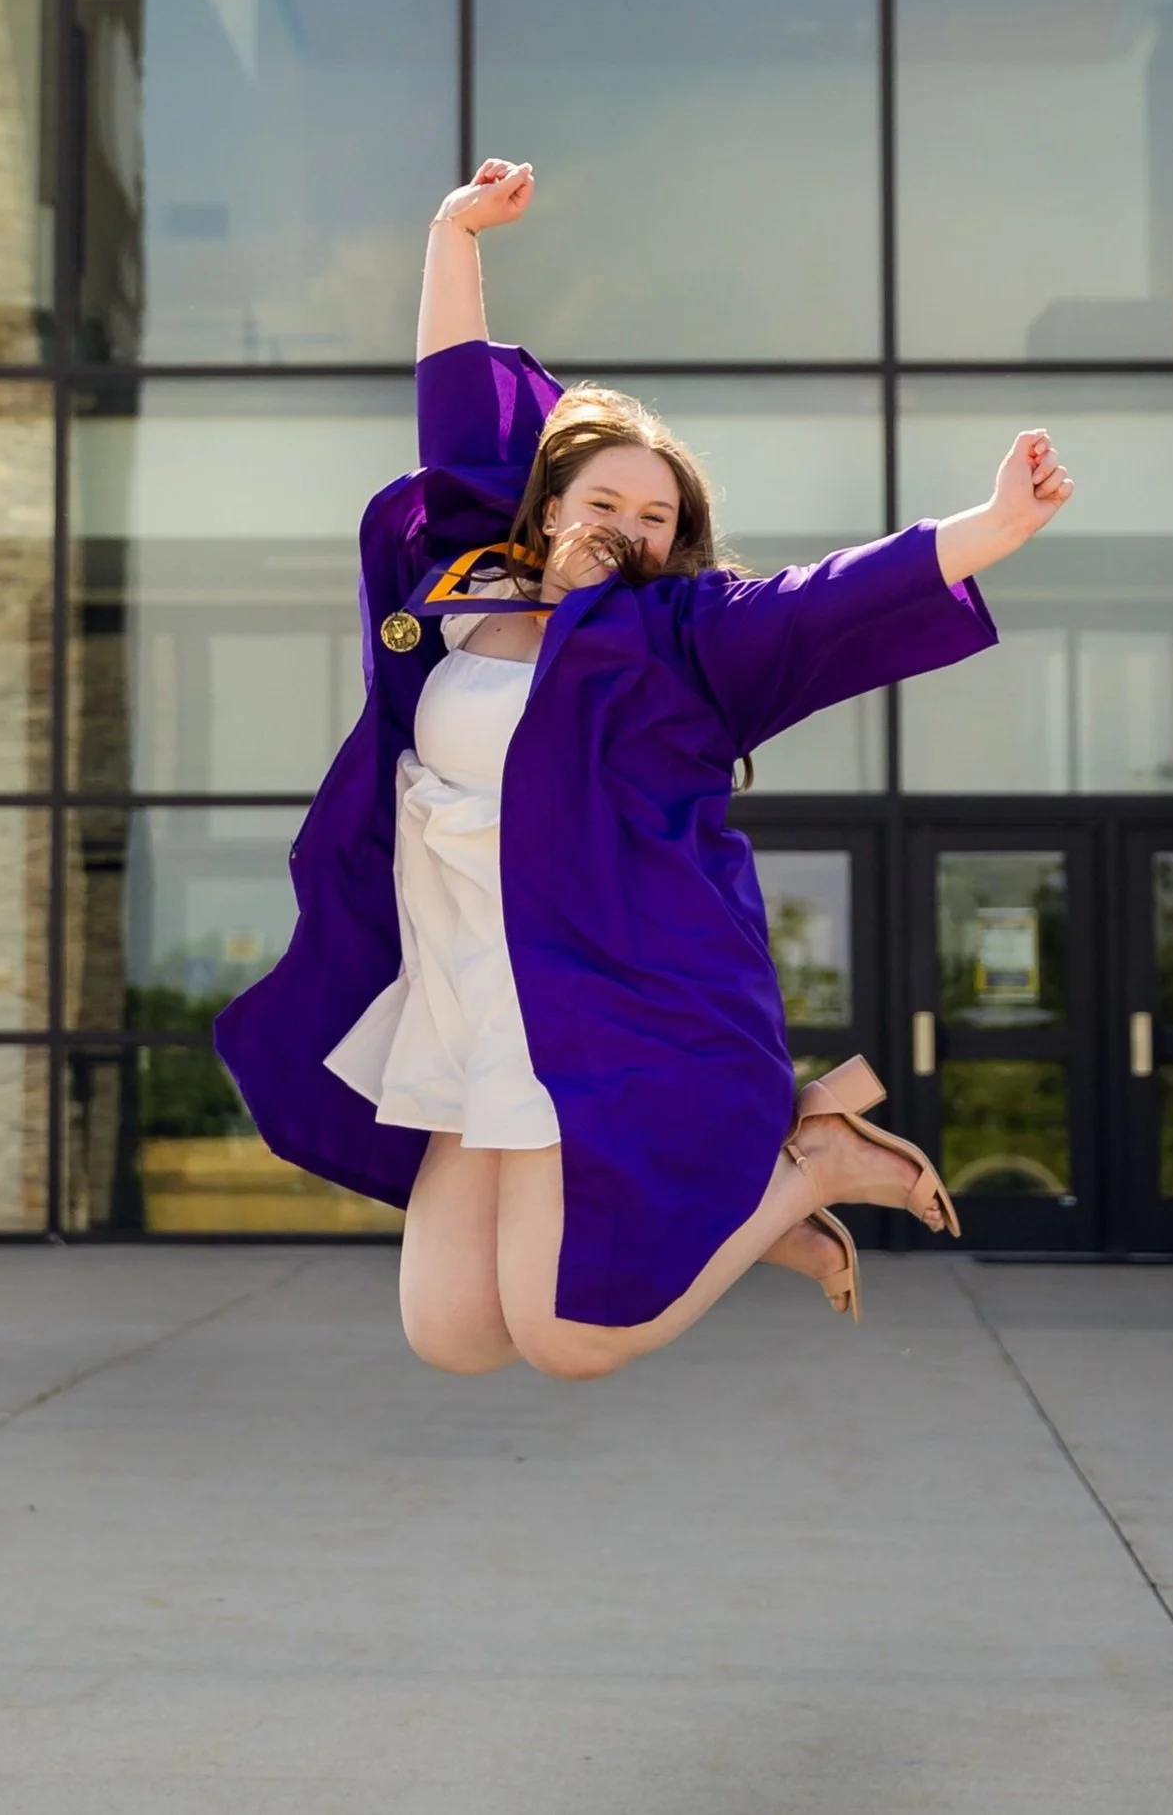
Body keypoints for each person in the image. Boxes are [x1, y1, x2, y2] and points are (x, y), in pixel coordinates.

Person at [215, 159, 1074, 1382]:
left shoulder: (684, 640)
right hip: (466, 990)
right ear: (549, 502)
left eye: (660, 514)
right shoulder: (467, 589)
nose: (633, 520)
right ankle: (771, 1189)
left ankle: (804, 1170)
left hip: (601, 997)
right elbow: (456, 403)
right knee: (454, 1333)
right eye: (606, 493)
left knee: (570, 1339)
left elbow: (829, 602)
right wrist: (453, 236)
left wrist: (990, 527)